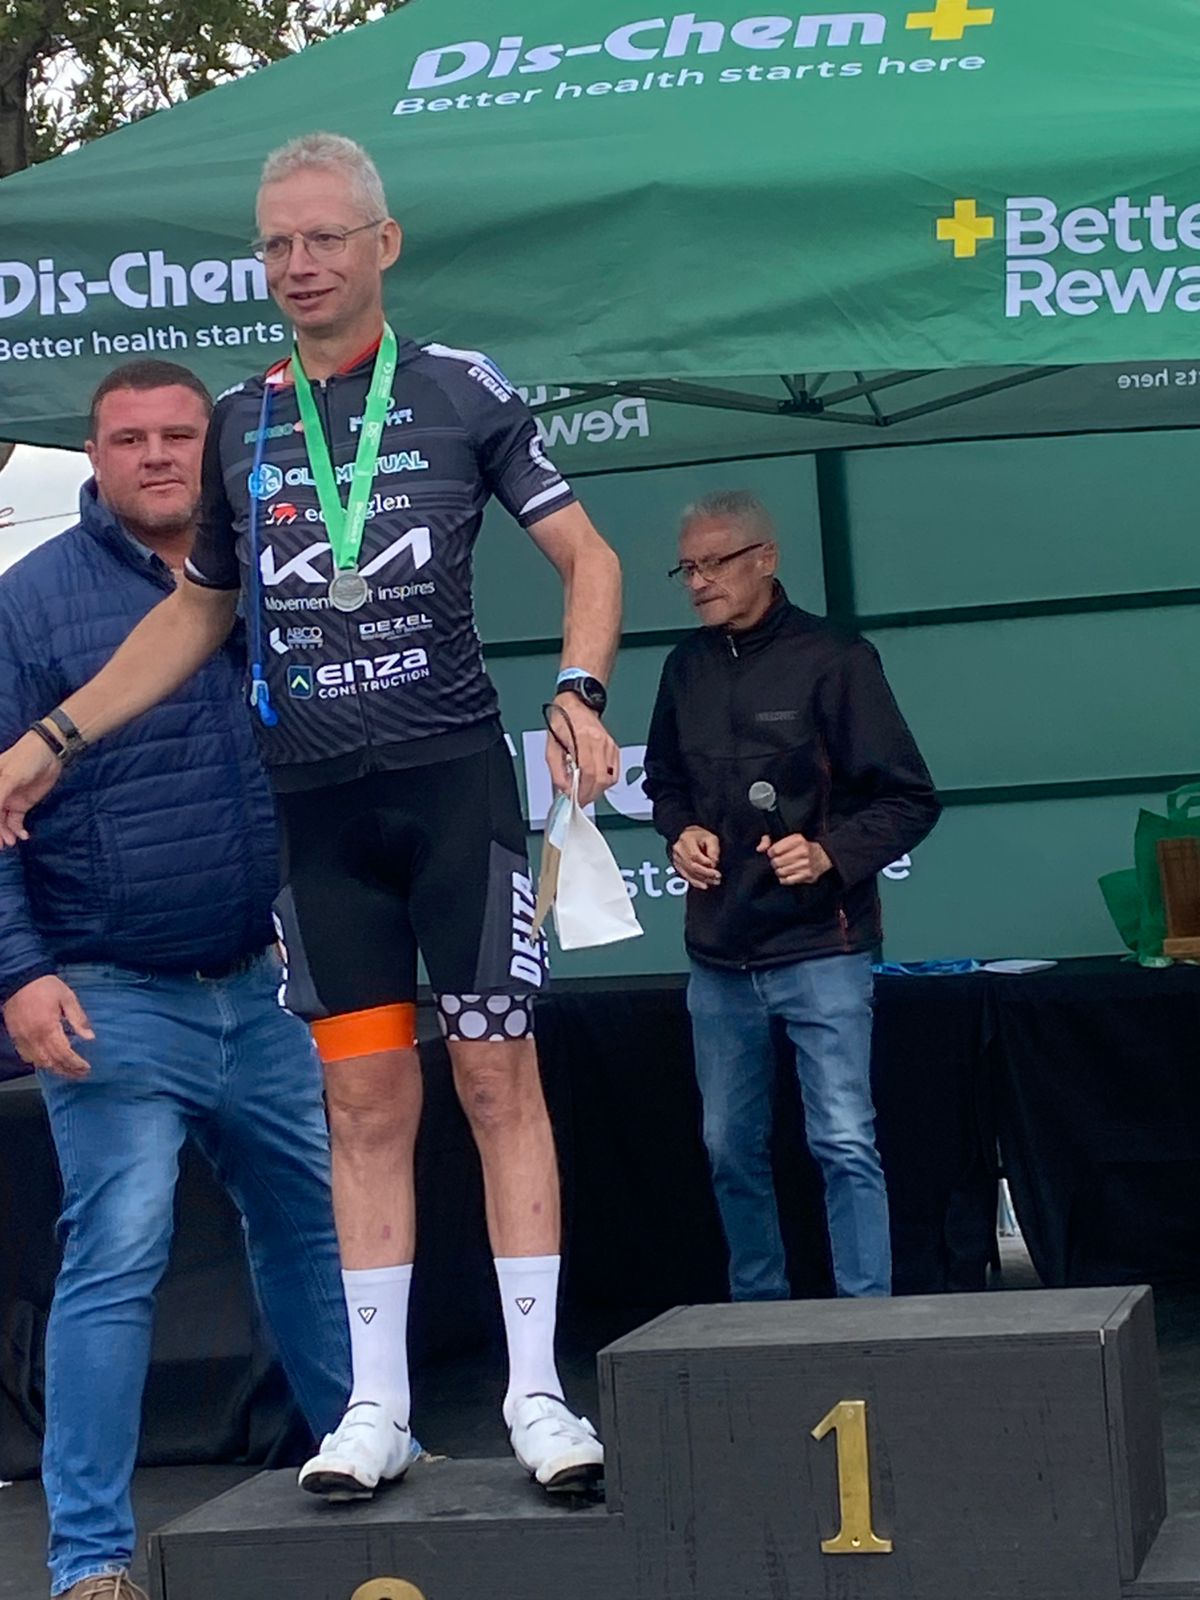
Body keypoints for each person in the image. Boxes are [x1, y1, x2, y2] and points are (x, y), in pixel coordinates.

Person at [0, 134, 622, 1500]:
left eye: (325, 237)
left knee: (496, 1078)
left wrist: (580, 687)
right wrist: (49, 741)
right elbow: (195, 615)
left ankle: (536, 1392)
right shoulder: (244, 422)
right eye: (277, 243)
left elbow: (589, 557)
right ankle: (375, 1407)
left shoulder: (461, 390)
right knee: (362, 1099)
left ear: (382, 245)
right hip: (321, 818)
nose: (299, 264)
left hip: (451, 789)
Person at [0, 360, 351, 1600]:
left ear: (217, 449)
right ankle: (90, 1560)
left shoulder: (279, 573)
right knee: (118, 1255)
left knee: (319, 1234)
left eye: (178, 435)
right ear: (93, 459)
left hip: (259, 985)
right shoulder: (25, 605)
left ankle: (367, 1463)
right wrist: (19, 974)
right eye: (128, 438)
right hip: (109, 990)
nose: (156, 456)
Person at [643, 490, 941, 1302]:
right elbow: (662, 781)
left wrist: (830, 853)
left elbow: (910, 798)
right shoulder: (684, 667)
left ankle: (865, 1316)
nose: (697, 583)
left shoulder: (836, 659)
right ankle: (757, 1313)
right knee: (727, 1147)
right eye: (686, 568)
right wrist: (679, 831)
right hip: (718, 954)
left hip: (821, 948)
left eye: (713, 564)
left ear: (765, 559)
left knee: (843, 1141)